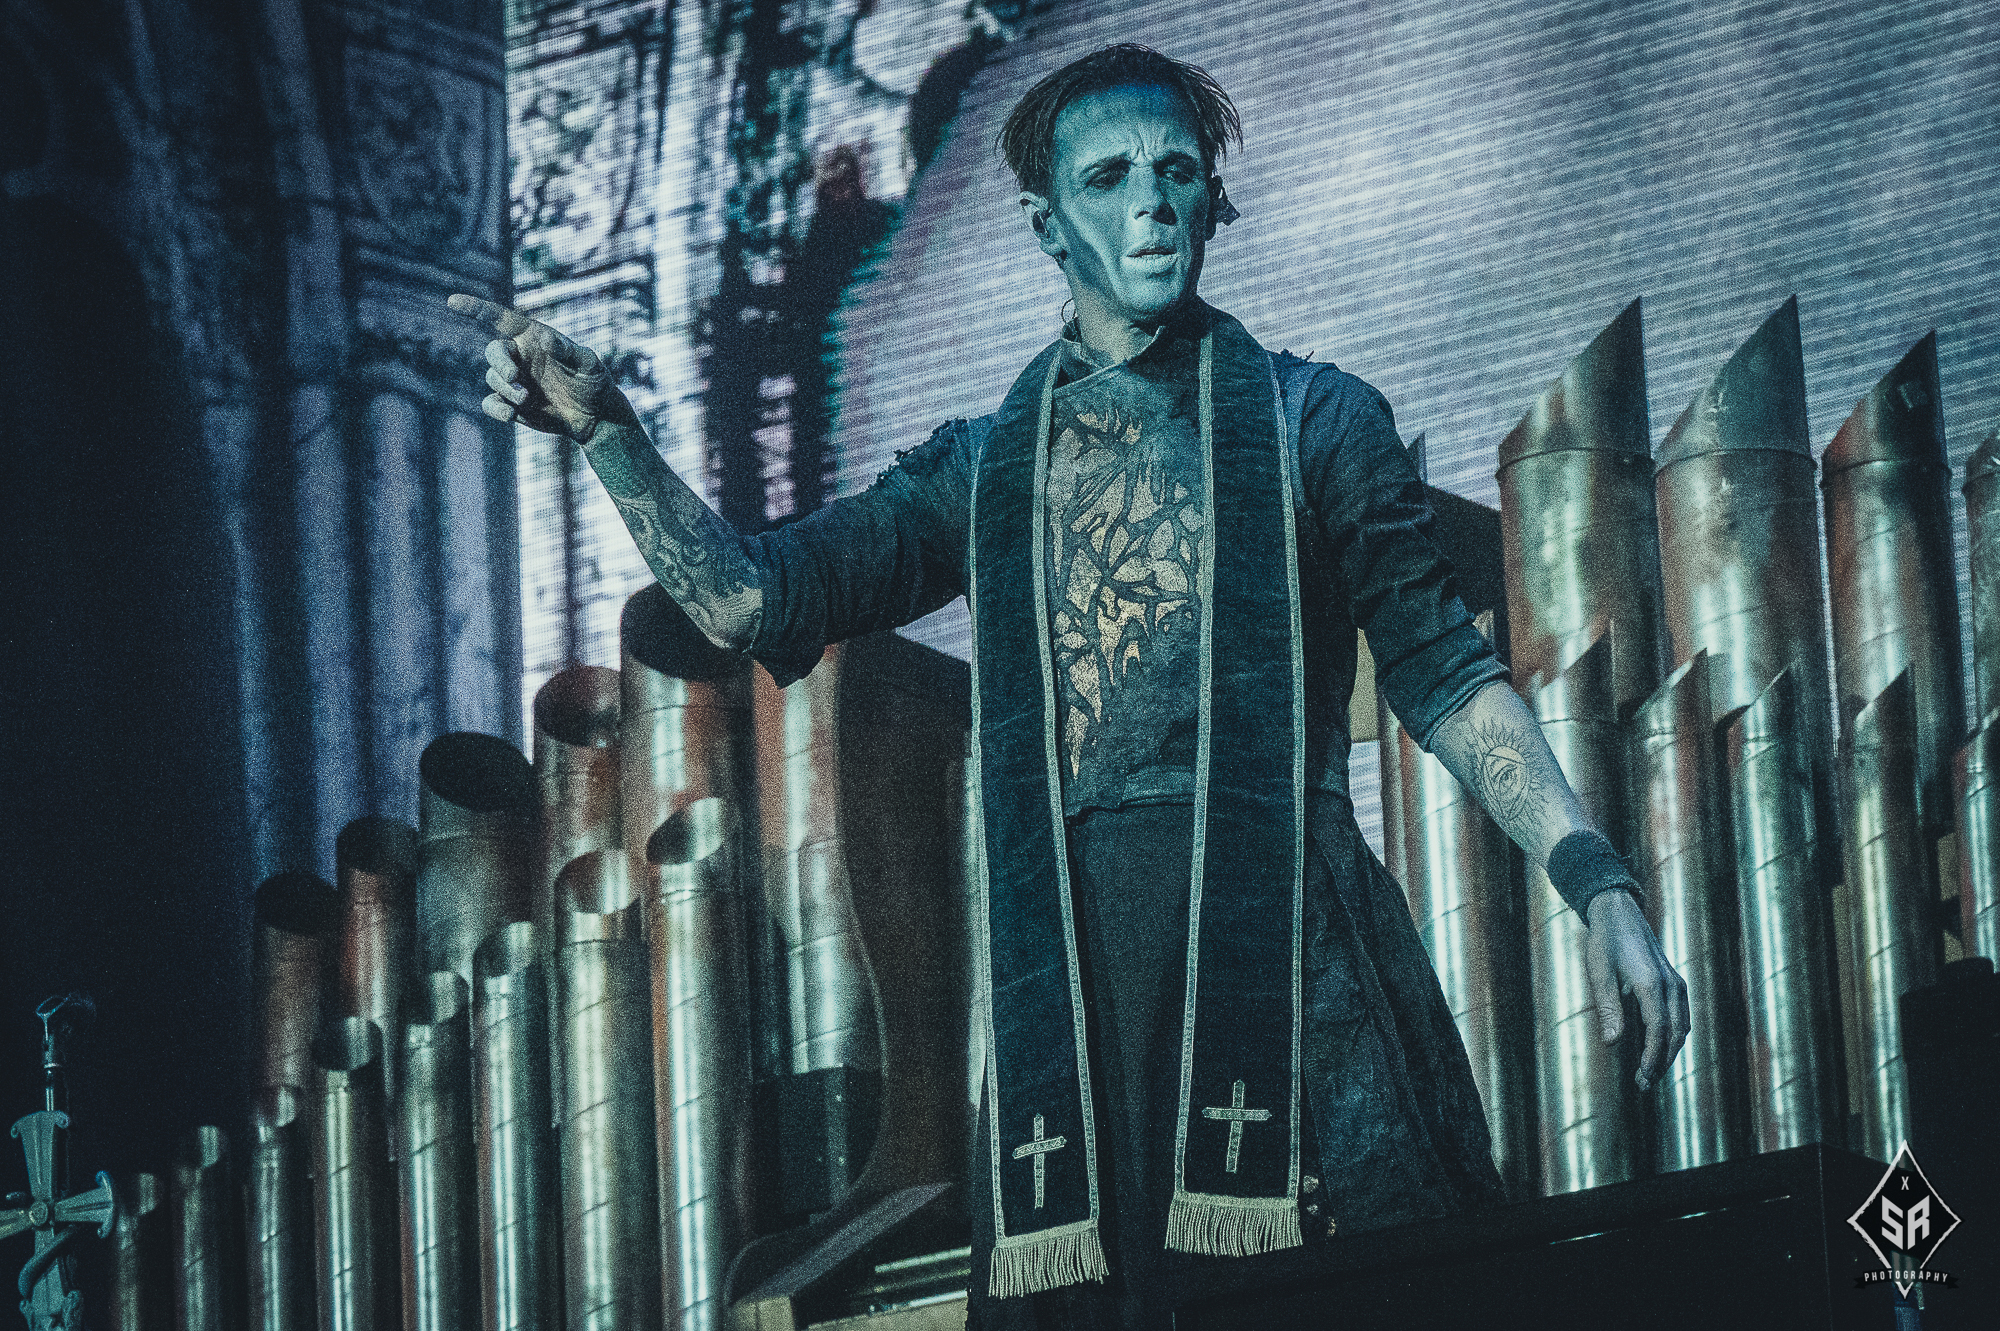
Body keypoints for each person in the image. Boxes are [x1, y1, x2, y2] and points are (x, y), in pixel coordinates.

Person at [451, 44, 1690, 1331]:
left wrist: (1598, 884)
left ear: (1214, 200)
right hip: (1080, 998)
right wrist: (610, 434)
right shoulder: (979, 468)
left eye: (1176, 172)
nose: (1150, 203)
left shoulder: (1316, 418)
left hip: (1296, 968)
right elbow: (743, 602)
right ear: (1046, 225)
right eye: (1107, 178)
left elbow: (1446, 677)